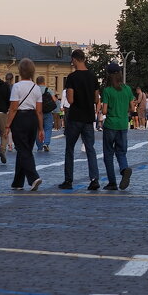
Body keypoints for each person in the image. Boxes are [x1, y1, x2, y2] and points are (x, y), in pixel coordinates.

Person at [58, 49, 101, 191]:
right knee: (90, 149)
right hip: (89, 117)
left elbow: (70, 99)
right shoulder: (93, 77)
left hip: (75, 117)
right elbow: (96, 99)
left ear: (75, 59)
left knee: (69, 149)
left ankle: (68, 180)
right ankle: (94, 179)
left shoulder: (72, 77)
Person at [6, 59, 45, 191]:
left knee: (23, 150)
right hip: (33, 119)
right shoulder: (36, 88)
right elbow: (39, 111)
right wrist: (41, 128)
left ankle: (34, 177)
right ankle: (17, 182)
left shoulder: (17, 86)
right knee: (25, 149)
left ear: (20, 71)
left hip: (20, 119)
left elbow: (13, 108)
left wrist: (7, 126)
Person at [99, 64, 134, 191]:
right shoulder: (127, 89)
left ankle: (112, 182)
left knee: (108, 154)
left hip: (110, 125)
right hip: (123, 124)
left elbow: (104, 110)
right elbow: (132, 108)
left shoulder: (107, 90)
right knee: (121, 151)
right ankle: (124, 169)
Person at [36, 76, 54, 153]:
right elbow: (54, 99)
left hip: (37, 112)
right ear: (44, 82)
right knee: (48, 128)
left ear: (36, 82)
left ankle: (39, 146)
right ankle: (46, 143)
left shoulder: (35, 90)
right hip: (47, 112)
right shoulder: (48, 89)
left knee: (38, 129)